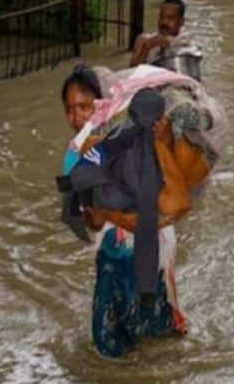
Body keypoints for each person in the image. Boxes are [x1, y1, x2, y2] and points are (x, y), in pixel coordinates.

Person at [58, 64, 213, 357]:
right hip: (111, 249)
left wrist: (110, 214)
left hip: (152, 243)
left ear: (102, 104)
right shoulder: (76, 155)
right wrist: (96, 215)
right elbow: (90, 222)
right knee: (108, 341)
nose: (76, 116)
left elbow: (174, 204)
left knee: (158, 334)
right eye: (69, 109)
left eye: (84, 106)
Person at [129, 0, 189, 67]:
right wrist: (147, 48)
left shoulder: (185, 43)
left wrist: (168, 43)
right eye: (161, 17)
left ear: (181, 22)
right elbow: (133, 72)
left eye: (170, 18)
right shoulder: (143, 40)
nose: (164, 22)